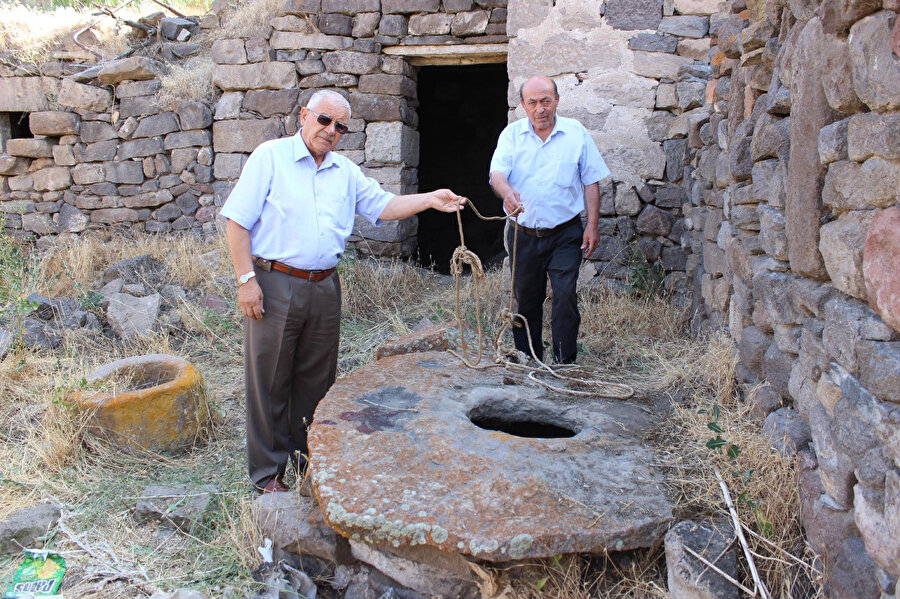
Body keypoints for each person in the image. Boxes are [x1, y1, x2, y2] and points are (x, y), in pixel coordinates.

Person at [221, 89, 465, 494]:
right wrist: (247, 280)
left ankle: (306, 460)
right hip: (275, 282)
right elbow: (237, 222)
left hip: (324, 287)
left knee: (317, 380)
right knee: (269, 381)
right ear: (304, 116)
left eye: (340, 127)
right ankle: (267, 474)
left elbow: (383, 207)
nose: (331, 131)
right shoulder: (270, 157)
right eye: (324, 120)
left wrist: (430, 199)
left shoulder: (344, 172)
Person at [489, 75, 610, 364]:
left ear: (557, 101)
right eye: (532, 102)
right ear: (522, 105)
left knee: (566, 296)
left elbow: (591, 181)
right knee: (526, 299)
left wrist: (592, 225)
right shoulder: (511, 135)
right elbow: (497, 175)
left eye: (546, 101)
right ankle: (528, 358)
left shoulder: (576, 132)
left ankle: (564, 362)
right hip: (523, 233)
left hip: (565, 233)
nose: (540, 108)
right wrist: (507, 193)